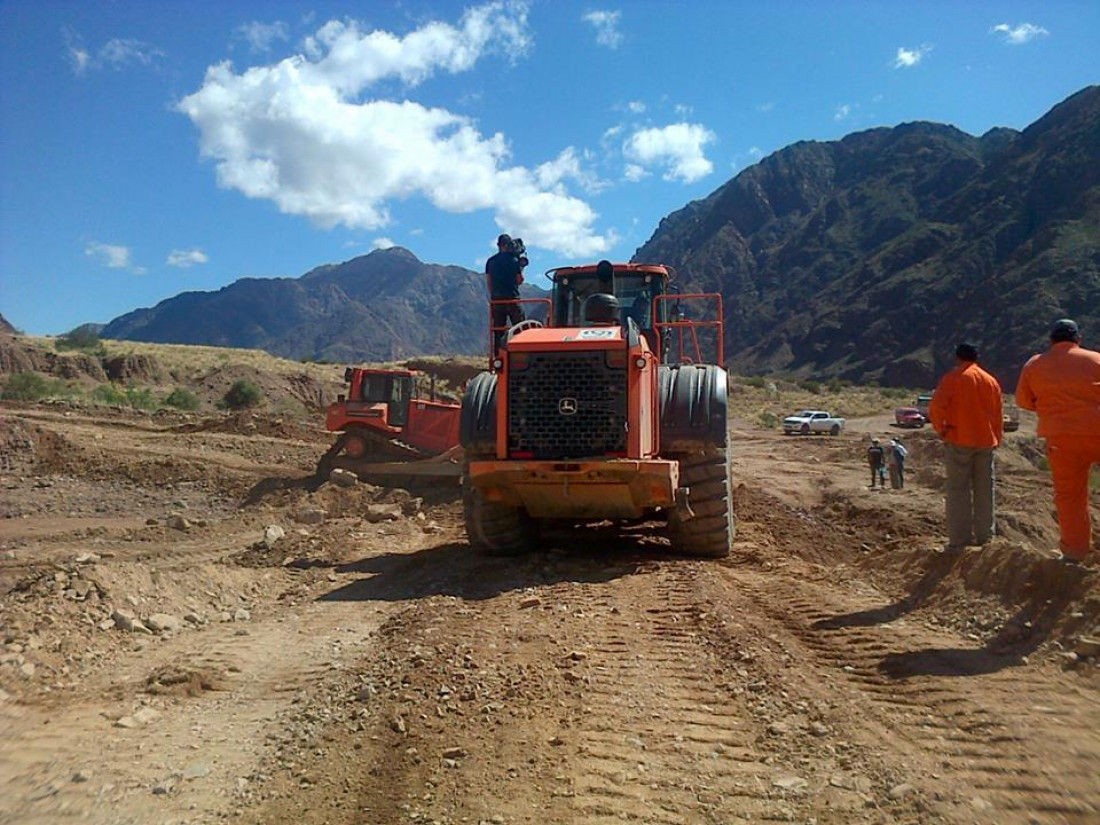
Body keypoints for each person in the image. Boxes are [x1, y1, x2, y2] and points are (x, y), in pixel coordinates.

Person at [1015, 319, 1100, 567]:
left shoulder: (1035, 364)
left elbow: (1023, 400)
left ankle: (1074, 553)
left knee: (1070, 496)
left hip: (1061, 438)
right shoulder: (1096, 359)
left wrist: (1048, 408)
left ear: (1051, 341)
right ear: (1078, 339)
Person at [928, 343, 1004, 553]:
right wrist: (997, 437)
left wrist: (941, 430)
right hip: (986, 442)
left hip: (959, 439)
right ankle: (985, 537)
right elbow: (998, 414)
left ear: (957, 358)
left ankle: (959, 540)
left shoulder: (953, 379)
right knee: (985, 490)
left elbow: (936, 407)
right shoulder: (990, 381)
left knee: (958, 490)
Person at [485, 233, 525, 350]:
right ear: (508, 245)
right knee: (520, 329)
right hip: (512, 299)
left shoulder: (490, 261)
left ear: (498, 245)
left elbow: (489, 282)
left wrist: (494, 297)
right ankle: (520, 352)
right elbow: (519, 280)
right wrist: (521, 268)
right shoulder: (514, 260)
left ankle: (499, 356)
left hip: (497, 301)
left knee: (498, 331)